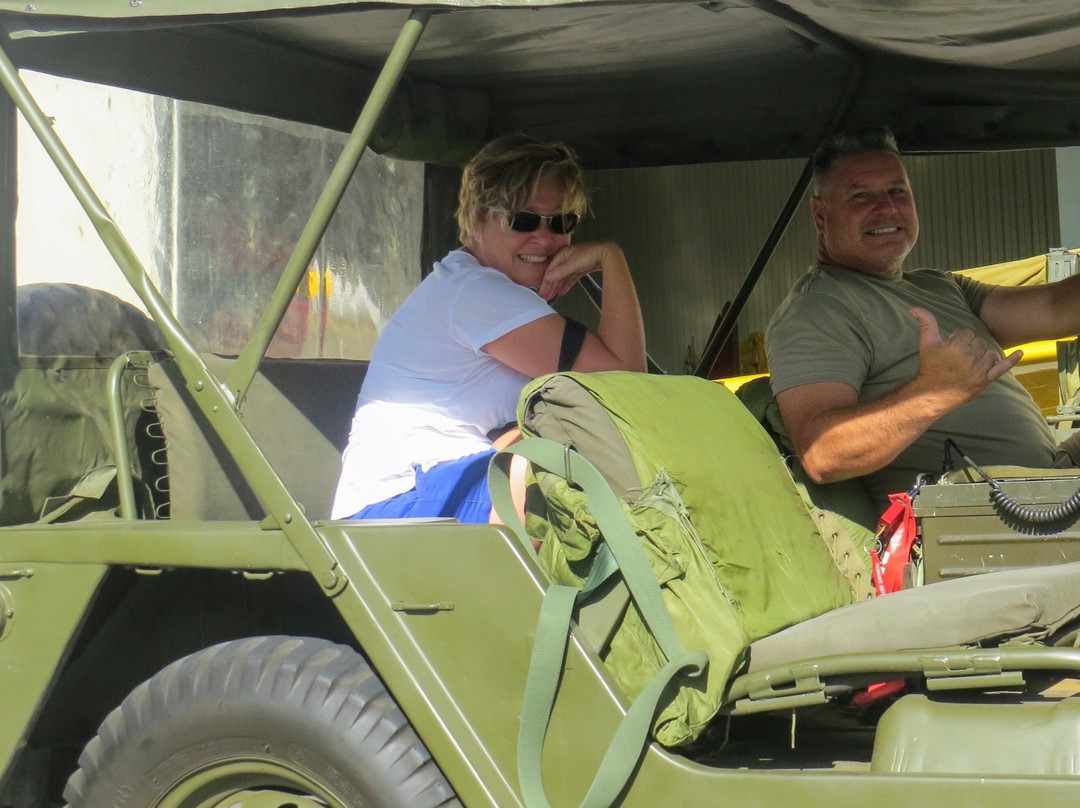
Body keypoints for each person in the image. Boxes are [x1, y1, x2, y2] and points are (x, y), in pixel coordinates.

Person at [331, 134, 646, 522]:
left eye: (561, 222)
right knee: (559, 476)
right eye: (524, 220)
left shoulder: (467, 283)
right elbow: (628, 384)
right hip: (400, 503)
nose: (545, 238)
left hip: (426, 489)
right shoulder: (476, 291)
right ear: (478, 217)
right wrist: (611, 258)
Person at [765, 125, 1080, 512]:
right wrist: (934, 392)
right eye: (861, 196)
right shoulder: (817, 309)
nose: (887, 208)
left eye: (898, 191)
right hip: (985, 518)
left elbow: (1056, 307)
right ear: (820, 215)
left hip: (1050, 485)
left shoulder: (938, 286)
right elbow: (823, 453)